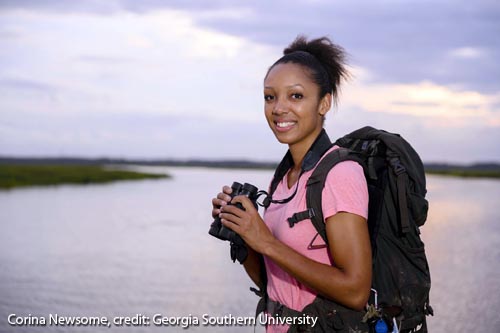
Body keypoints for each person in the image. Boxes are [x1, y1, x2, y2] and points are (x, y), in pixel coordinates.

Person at [211, 36, 372, 333]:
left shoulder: (340, 174)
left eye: (295, 96)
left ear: (324, 103)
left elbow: (355, 292)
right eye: (270, 97)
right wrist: (244, 236)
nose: (278, 108)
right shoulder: (283, 178)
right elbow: (273, 285)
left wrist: (267, 242)